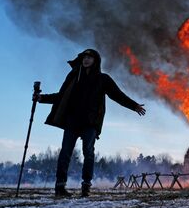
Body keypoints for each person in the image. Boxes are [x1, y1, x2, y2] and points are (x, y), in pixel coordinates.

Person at [34, 49, 146, 197]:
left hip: (90, 122)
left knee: (88, 153)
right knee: (65, 153)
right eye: (84, 57)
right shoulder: (74, 76)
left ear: (95, 61)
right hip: (72, 120)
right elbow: (61, 96)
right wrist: (42, 98)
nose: (86, 60)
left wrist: (134, 106)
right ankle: (60, 187)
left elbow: (117, 95)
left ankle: (86, 187)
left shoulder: (102, 79)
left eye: (89, 57)